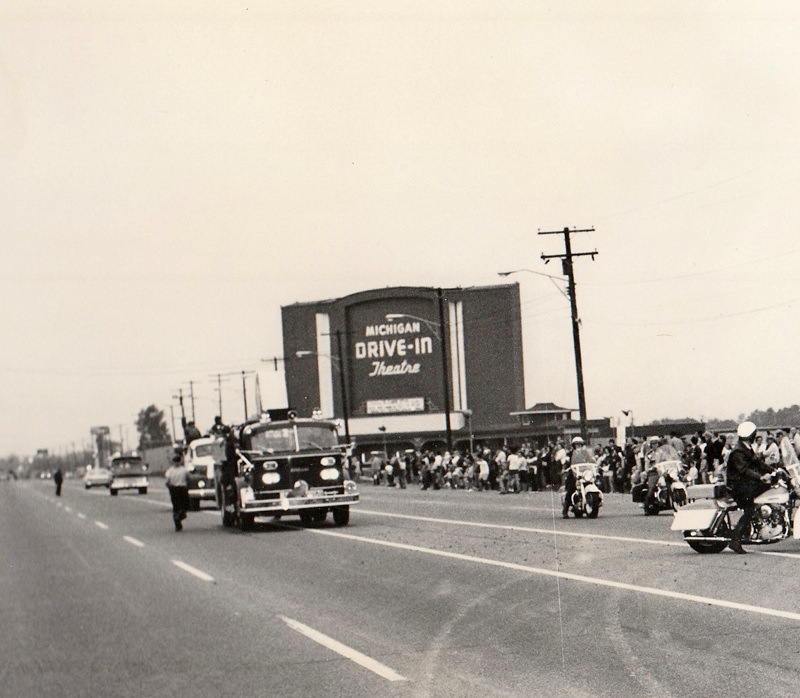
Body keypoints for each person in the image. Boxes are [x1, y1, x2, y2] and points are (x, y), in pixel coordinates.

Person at [727, 421, 774, 554]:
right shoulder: (738, 451)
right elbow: (744, 470)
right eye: (754, 433)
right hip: (738, 487)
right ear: (750, 435)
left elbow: (757, 463)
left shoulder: (746, 448)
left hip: (746, 485)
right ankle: (735, 540)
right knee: (749, 510)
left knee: (769, 488)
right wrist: (760, 477)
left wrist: (774, 470)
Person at [164, 454, 191, 531]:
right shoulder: (184, 470)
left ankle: (177, 521)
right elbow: (188, 479)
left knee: (176, 506)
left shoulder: (169, 471)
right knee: (185, 505)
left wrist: (170, 488)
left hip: (174, 489)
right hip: (182, 489)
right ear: (180, 461)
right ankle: (180, 516)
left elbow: (167, 482)